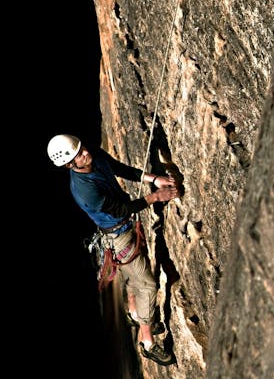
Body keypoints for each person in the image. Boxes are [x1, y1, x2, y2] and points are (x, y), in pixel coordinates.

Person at [48, 133, 179, 366]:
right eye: (79, 155)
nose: (86, 153)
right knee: (147, 284)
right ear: (69, 164)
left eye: (83, 148)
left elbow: (120, 168)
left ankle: (133, 313)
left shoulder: (94, 156)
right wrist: (155, 197)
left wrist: (154, 178)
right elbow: (119, 209)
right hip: (118, 234)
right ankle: (147, 342)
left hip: (121, 231)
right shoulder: (83, 190)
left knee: (133, 274)